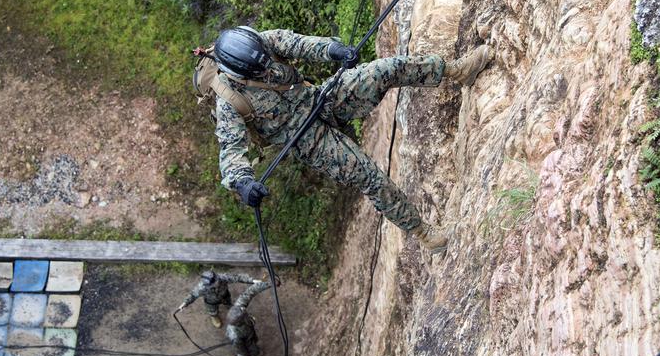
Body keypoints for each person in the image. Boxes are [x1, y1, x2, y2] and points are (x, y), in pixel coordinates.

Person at [207, 26, 493, 253]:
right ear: (239, 75)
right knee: (367, 175)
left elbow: (299, 44)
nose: (267, 68)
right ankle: (424, 234)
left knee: (385, 70)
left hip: (319, 98)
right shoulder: (229, 100)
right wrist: (243, 183)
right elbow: (231, 150)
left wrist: (334, 50)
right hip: (307, 138)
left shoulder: (260, 43)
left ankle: (458, 71)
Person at [176, 270, 262, 328]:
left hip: (225, 296)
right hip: (211, 302)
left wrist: (252, 280)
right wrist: (185, 303)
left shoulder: (223, 277)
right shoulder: (201, 287)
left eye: (216, 282)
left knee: (230, 306)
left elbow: (238, 277)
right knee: (212, 312)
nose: (216, 284)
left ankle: (231, 310)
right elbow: (193, 295)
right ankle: (214, 316)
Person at [224, 280, 270, 356]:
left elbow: (250, 292)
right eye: (243, 316)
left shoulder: (238, 308)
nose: (244, 310)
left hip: (248, 333)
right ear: (239, 322)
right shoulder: (235, 337)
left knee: (254, 343)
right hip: (244, 340)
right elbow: (242, 350)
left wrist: (267, 284)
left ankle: (255, 351)